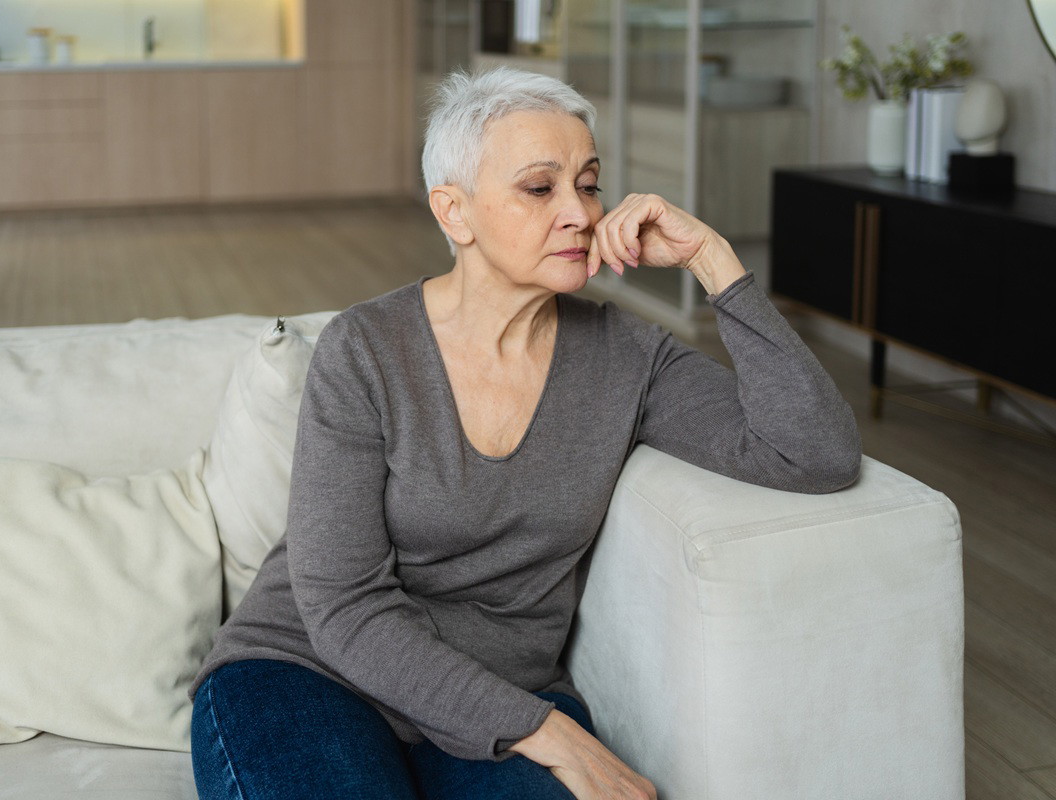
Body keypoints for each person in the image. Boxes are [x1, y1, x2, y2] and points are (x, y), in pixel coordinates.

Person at [188, 66, 862, 800]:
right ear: (456, 213)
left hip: (507, 687)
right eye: (540, 188)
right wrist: (547, 732)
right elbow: (342, 605)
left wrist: (714, 261)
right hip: (310, 673)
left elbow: (816, 453)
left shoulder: (628, 357)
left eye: (589, 183)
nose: (578, 211)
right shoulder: (365, 350)